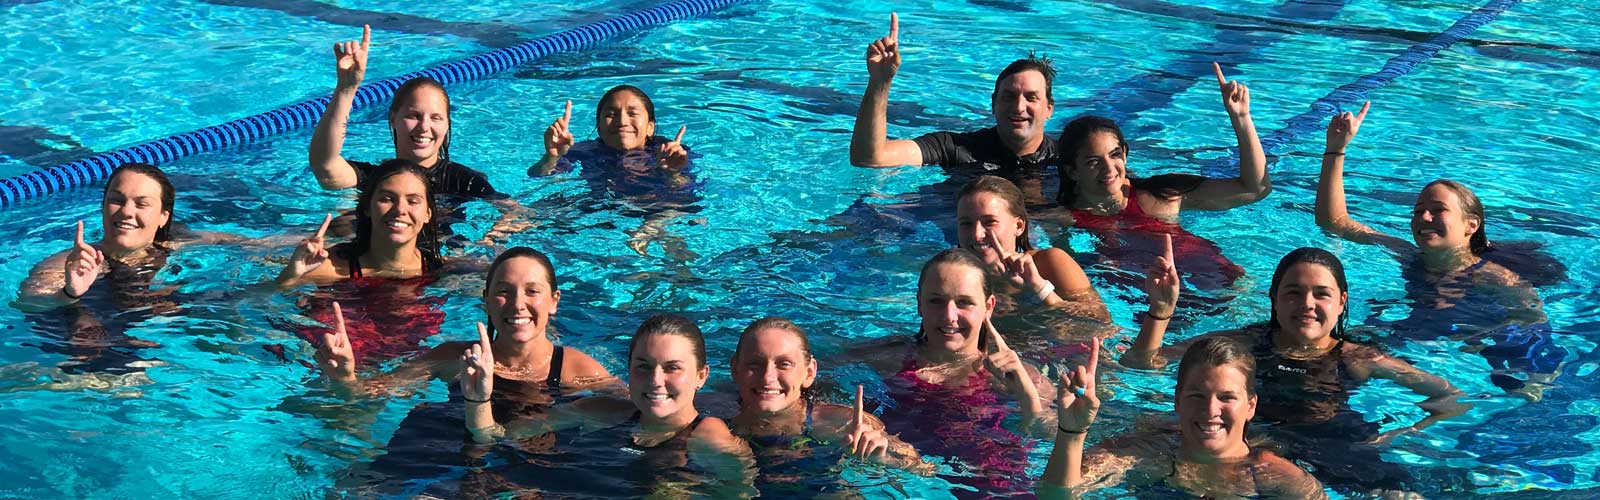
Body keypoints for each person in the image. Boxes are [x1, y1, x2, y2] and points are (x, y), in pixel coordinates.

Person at [1124, 241, 1468, 495]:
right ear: (1274, 299)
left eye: (1321, 294)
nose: (1307, 304)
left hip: (1331, 447)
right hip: (1245, 444)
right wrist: (1161, 311)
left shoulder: (1358, 359)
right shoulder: (1245, 343)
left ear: (1341, 302)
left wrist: (1399, 435)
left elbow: (1452, 398)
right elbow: (1143, 364)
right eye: (1293, 292)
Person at [312, 246, 614, 497]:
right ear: (486, 300)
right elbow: (373, 392)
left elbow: (637, 409)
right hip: (441, 449)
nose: (517, 304)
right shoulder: (454, 356)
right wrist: (345, 378)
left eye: (532, 291)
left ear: (554, 302)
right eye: (504, 292)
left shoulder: (576, 369)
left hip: (523, 466)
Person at [1315, 101, 1564, 398]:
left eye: (1437, 210)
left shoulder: (1494, 277)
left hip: (1472, 341)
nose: (1424, 218)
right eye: (1418, 211)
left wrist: (1536, 378)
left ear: (1471, 225)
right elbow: (1335, 222)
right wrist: (1335, 150)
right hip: (1419, 331)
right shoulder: (1407, 254)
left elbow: (1534, 322)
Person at [460, 314, 752, 495]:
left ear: (701, 376)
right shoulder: (602, 412)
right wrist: (478, 397)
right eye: (643, 367)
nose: (655, 380)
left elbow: (740, 493)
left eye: (672, 368)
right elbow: (492, 435)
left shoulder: (710, 437)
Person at [1053, 64, 1267, 295]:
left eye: (1114, 155)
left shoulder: (1162, 194)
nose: (1109, 169)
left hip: (1221, 286)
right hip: (1149, 301)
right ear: (1073, 171)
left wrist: (1241, 118)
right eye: (1093, 162)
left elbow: (1255, 189)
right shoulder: (1062, 219)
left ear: (1124, 154)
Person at [307, 25, 525, 248]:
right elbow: (325, 166)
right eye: (414, 116)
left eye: (436, 118)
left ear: (447, 125)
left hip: (444, 264)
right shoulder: (373, 177)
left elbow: (518, 212)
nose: (424, 127)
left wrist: (485, 243)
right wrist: (346, 88)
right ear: (393, 118)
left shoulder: (463, 181)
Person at [864, 248, 1058, 497]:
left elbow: (1050, 437)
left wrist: (1026, 396)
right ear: (919, 304)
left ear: (988, 307)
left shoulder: (1022, 377)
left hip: (989, 489)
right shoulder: (887, 358)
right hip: (899, 482)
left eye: (964, 302)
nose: (949, 316)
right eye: (936, 301)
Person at [15, 163, 232, 379]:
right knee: (124, 379)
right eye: (117, 200)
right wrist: (70, 294)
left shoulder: (173, 244)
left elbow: (232, 240)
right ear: (103, 206)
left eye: (141, 204)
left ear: (163, 217)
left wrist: (264, 254)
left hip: (161, 329)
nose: (127, 211)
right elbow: (29, 302)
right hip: (98, 334)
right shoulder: (71, 263)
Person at [1040, 336, 1328, 499]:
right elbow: (1056, 495)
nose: (1210, 410)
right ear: (1177, 401)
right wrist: (1072, 432)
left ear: (1250, 405)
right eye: (1196, 396)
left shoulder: (1279, 478)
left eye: (1226, 397)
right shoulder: (1144, 454)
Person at [849, 13, 1059, 200]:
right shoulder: (957, 148)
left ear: (1049, 109)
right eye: (1008, 97)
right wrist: (880, 82)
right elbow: (870, 158)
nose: (1019, 106)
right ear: (993, 104)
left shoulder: (1067, 156)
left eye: (1031, 97)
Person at [727, 317, 929, 483]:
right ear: (735, 369)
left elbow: (924, 469)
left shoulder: (841, 422)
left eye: (784, 364)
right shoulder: (715, 420)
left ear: (809, 372)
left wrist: (882, 457)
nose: (767, 377)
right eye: (755, 364)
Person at [527, 85, 700, 258]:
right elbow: (541, 176)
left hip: (658, 209)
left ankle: (661, 249)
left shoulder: (671, 153)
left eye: (632, 113)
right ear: (599, 127)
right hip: (601, 207)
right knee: (525, 212)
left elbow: (687, 195)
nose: (622, 121)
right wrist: (551, 157)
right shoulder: (583, 151)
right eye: (611, 114)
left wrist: (674, 174)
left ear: (650, 127)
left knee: (679, 214)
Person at [956, 176, 1107, 321]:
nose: (977, 235)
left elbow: (1101, 323)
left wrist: (1038, 287)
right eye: (966, 224)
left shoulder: (1049, 263)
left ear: (1019, 226)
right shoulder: (953, 276)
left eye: (990, 222)